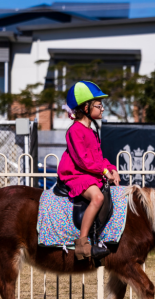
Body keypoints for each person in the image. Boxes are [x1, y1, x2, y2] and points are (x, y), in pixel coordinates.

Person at [58, 81, 120, 260]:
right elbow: (83, 160)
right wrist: (104, 172)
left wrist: (112, 169)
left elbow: (98, 158)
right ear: (86, 108)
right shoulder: (75, 131)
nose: (102, 109)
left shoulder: (92, 131)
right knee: (98, 197)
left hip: (88, 172)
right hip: (76, 175)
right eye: (98, 105)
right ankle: (83, 244)